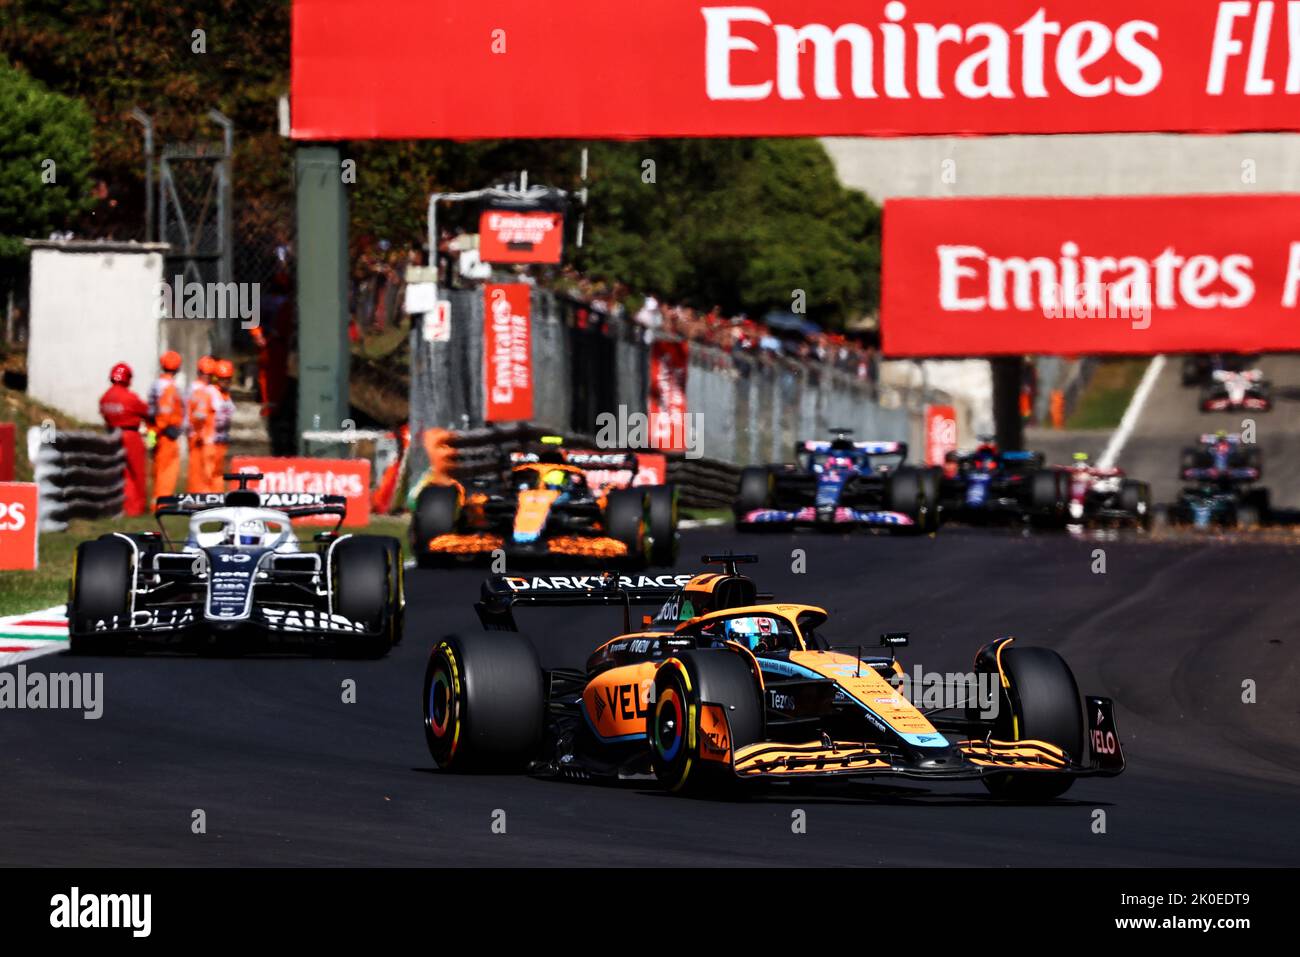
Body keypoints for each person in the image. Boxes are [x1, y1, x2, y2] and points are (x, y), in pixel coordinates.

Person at [99, 362, 151, 516]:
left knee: (120, 474)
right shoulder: (130, 397)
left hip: (112, 435)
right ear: (127, 378)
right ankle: (137, 508)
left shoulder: (105, 397)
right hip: (131, 436)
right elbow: (147, 412)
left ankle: (122, 507)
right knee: (136, 473)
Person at [147, 351, 185, 503]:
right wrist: (165, 428)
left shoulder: (156, 384)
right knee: (167, 471)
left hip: (154, 431)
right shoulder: (169, 387)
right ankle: (161, 503)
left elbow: (151, 410)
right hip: (165, 434)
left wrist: (153, 433)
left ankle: (156, 500)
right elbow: (165, 412)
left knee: (157, 468)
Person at [186, 355, 217, 492]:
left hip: (194, 433)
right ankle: (203, 497)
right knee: (204, 472)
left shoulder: (192, 388)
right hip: (203, 435)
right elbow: (200, 414)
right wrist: (199, 432)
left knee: (196, 470)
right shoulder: (205, 390)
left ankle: (197, 495)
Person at [209, 359, 236, 490]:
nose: (225, 382)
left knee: (218, 473)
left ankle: (217, 498)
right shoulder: (211, 392)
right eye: (222, 379)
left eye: (228, 379)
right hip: (211, 440)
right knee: (208, 472)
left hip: (222, 440)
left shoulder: (227, 396)